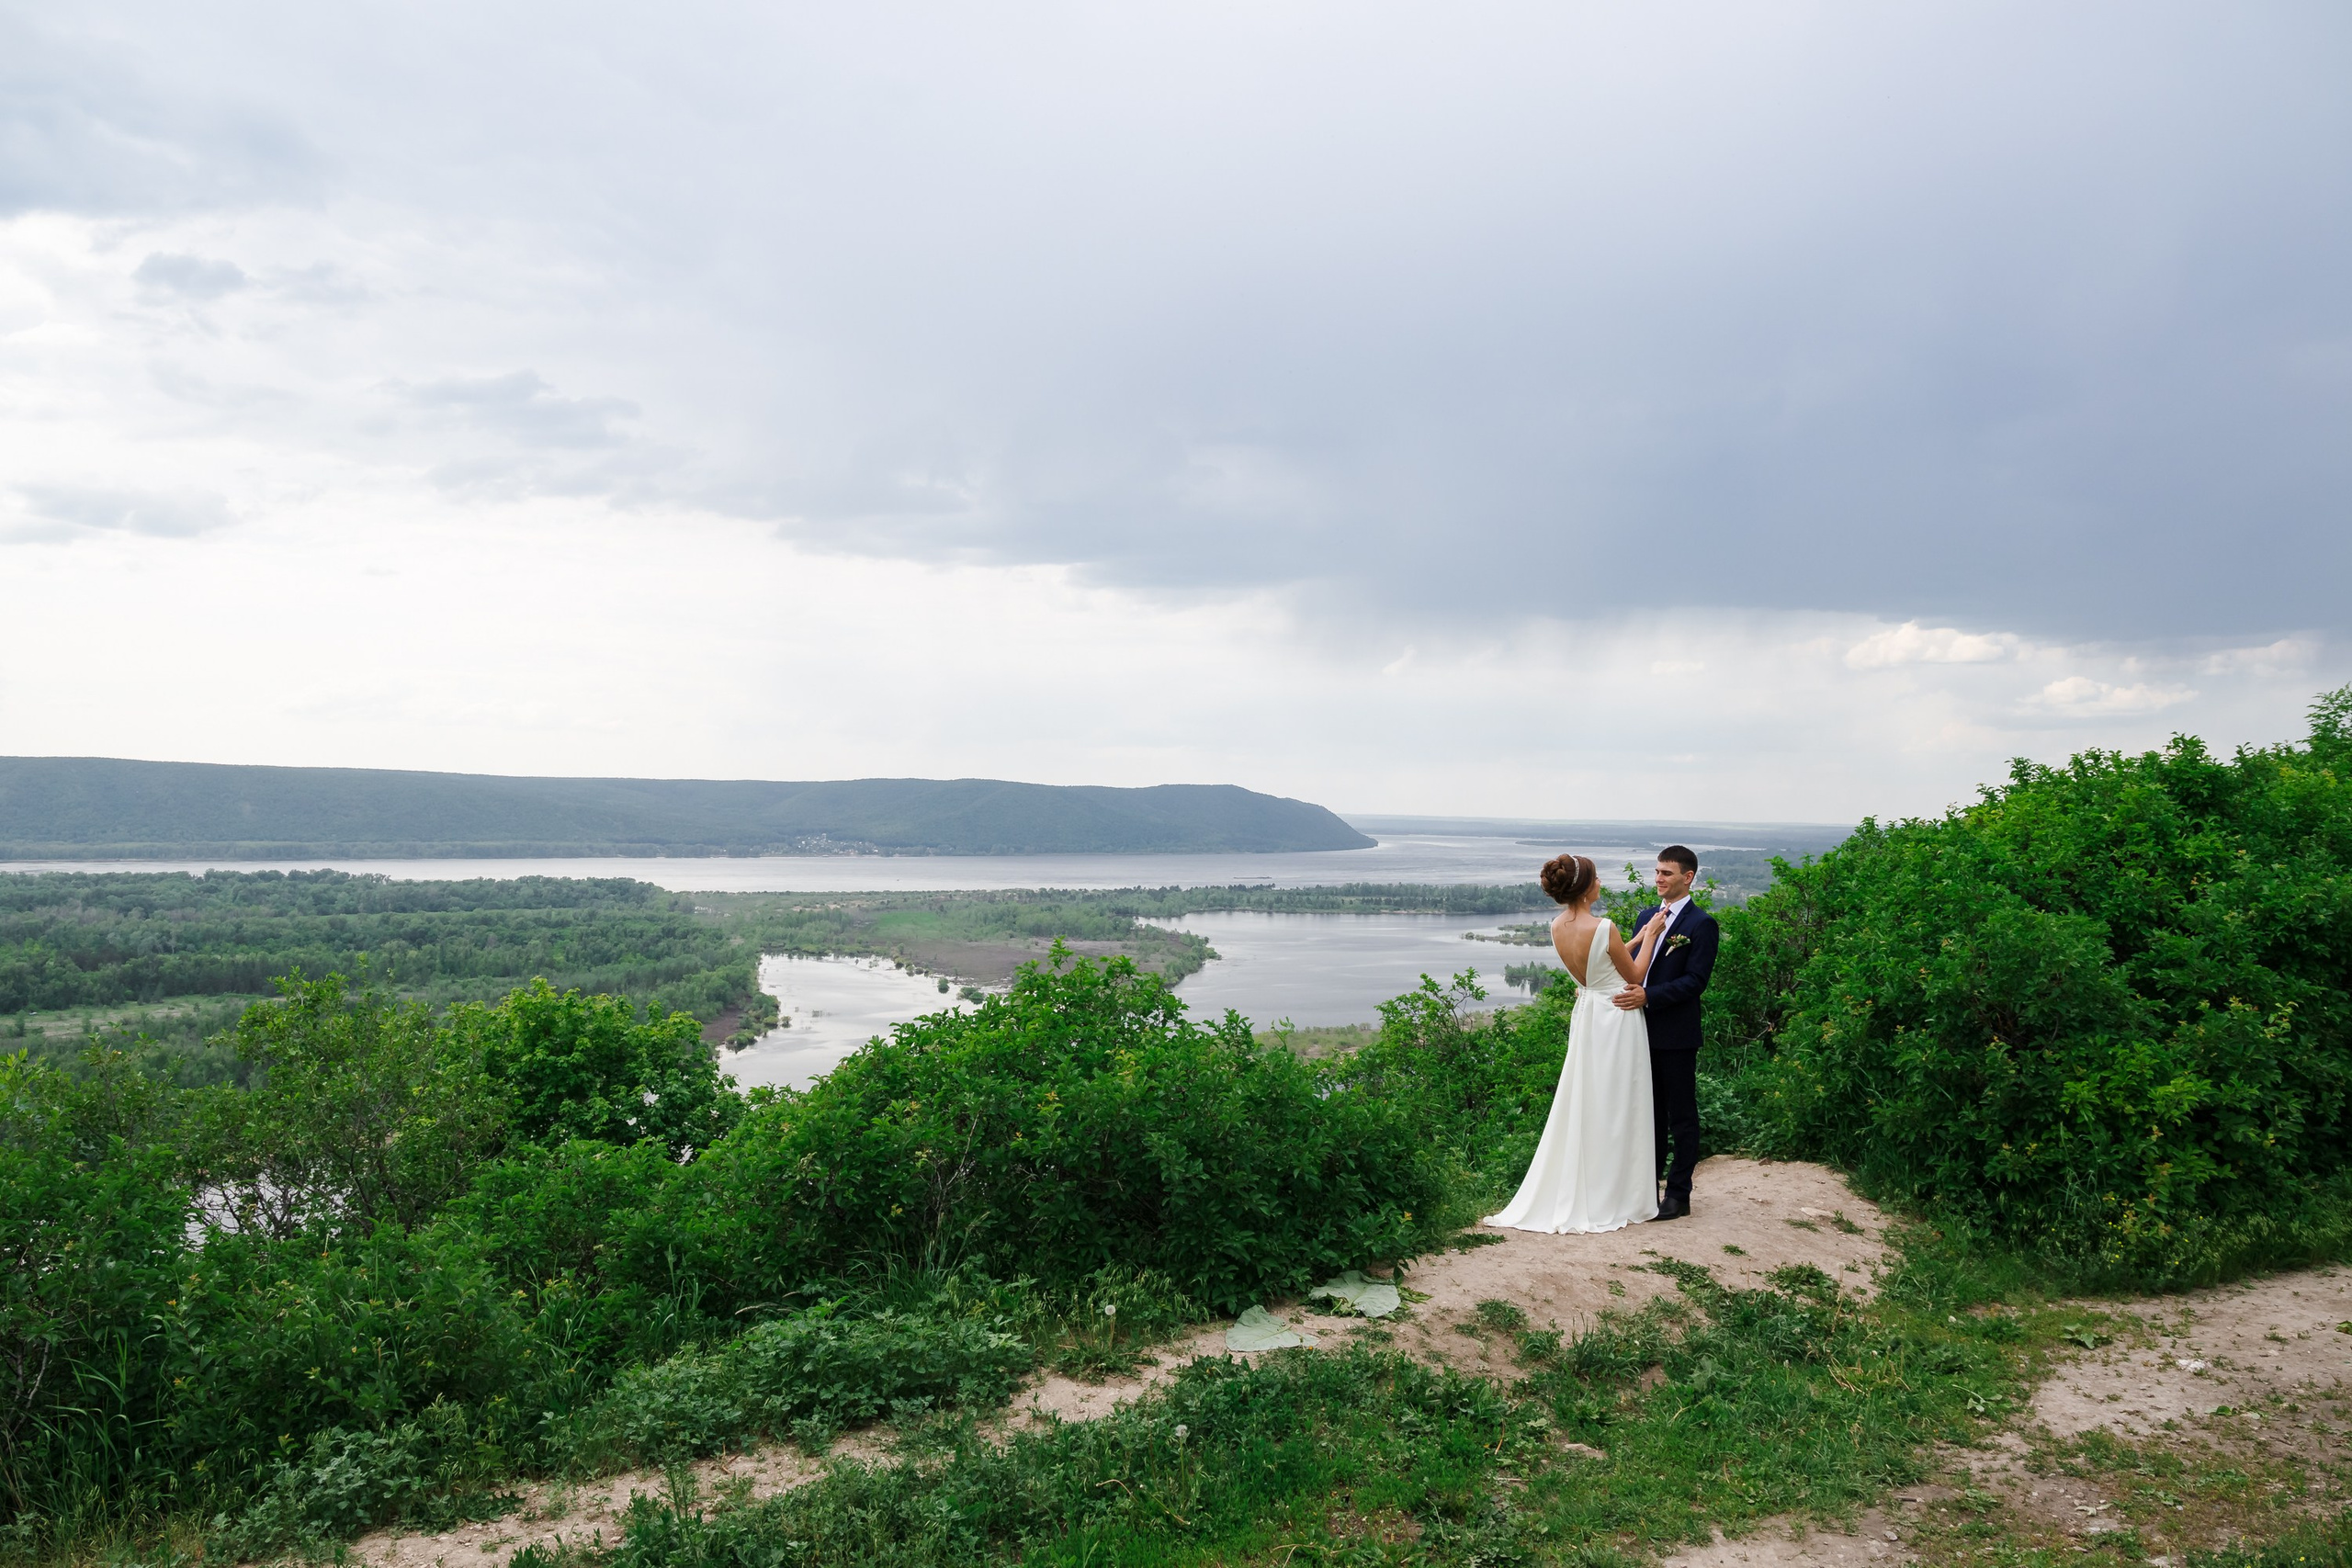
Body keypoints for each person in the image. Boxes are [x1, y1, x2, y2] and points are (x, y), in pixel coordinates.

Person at [1485, 852, 1671, 1234]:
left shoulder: (1557, 927)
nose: (1600, 883)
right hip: (1617, 1017)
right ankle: (1619, 1192)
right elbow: (1633, 972)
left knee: (1588, 1097)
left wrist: (1635, 937)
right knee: (1619, 1099)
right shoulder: (1604, 926)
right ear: (1587, 887)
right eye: (1597, 878)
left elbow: (1599, 962)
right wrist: (1651, 936)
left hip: (1588, 1013)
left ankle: (1591, 1182)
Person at [1613, 845, 1720, 1221]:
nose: (1658, 879)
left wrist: (1649, 996)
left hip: (1676, 1035)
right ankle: (1647, 1190)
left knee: (1682, 1116)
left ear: (1688, 877)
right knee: (1648, 1114)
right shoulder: (1646, 916)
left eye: (1667, 873)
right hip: (1639, 1033)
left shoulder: (1701, 924)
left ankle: (1679, 1194)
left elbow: (1696, 981)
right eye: (1657, 872)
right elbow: (1632, 968)